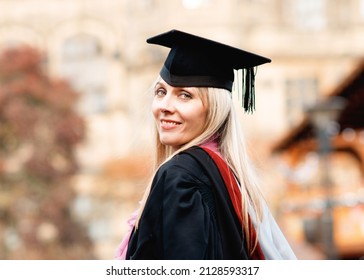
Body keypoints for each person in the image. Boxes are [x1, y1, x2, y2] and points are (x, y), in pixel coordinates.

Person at [115, 29, 296, 260]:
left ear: (214, 109)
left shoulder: (180, 176)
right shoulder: (224, 175)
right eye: (161, 92)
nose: (165, 106)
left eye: (185, 95)